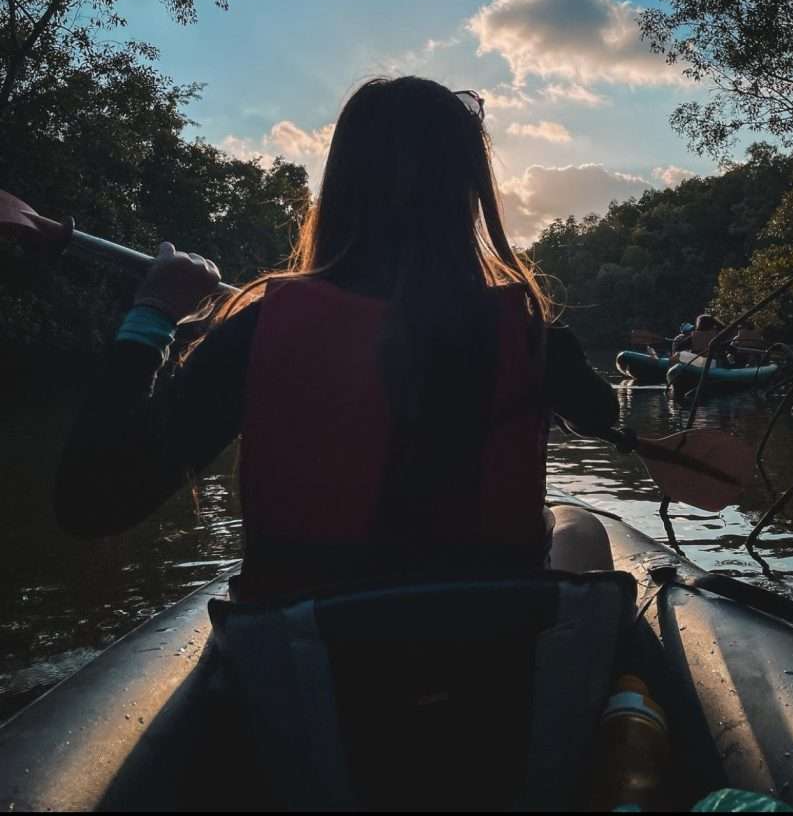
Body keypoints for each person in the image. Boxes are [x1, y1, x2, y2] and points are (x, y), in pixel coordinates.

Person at [55, 77, 618, 601]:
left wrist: (153, 313)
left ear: (344, 188)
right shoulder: (534, 341)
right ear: (466, 198)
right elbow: (601, 415)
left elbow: (89, 503)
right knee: (579, 526)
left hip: (306, 678)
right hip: (485, 666)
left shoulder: (259, 333)